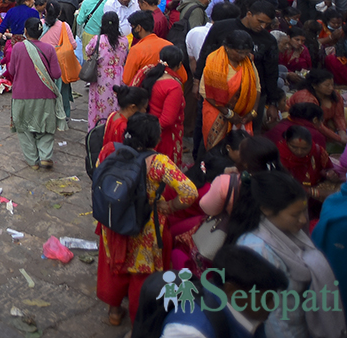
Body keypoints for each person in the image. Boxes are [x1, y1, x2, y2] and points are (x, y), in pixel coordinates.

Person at [96, 113, 198, 327]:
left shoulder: (110, 149)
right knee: (141, 276)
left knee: (115, 266)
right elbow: (190, 192)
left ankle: (114, 312)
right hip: (145, 227)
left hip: (114, 220)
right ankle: (139, 323)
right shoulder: (159, 162)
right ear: (154, 139)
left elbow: (97, 173)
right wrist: (169, 206)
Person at [227, 169, 347, 338]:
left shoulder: (286, 230)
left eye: (303, 212)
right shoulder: (258, 251)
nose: (303, 220)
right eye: (295, 214)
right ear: (267, 210)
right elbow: (275, 320)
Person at [159, 245, 290, 338]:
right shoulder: (190, 332)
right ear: (232, 290)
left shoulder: (248, 313)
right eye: (266, 299)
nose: (273, 305)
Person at [6, 19, 65, 170]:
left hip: (21, 95)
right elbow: (57, 74)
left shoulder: (18, 48)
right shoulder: (49, 49)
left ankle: (32, 161)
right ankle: (45, 157)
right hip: (45, 95)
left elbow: (11, 71)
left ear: (25, 31)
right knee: (45, 127)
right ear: (40, 31)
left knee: (24, 129)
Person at [199, 31, 260, 153]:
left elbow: (257, 87)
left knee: (240, 151)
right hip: (217, 112)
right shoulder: (214, 61)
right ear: (227, 47)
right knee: (216, 150)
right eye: (239, 52)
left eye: (246, 52)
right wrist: (228, 113)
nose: (243, 56)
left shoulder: (248, 62)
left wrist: (253, 112)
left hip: (242, 116)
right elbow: (205, 91)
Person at [136, 46, 186, 166]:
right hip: (164, 137)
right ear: (179, 65)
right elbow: (167, 120)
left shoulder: (150, 75)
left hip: (149, 130)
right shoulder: (173, 86)